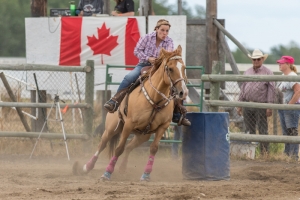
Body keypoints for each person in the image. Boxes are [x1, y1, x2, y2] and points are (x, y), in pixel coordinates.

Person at [104, 19, 191, 126]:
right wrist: (148, 58)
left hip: (159, 68)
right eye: (162, 30)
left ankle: (177, 114)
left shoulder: (169, 41)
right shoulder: (147, 38)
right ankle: (114, 101)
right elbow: (137, 51)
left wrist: (159, 61)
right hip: (144, 64)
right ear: (157, 29)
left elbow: (168, 56)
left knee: (173, 84)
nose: (164, 33)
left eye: (167, 31)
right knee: (129, 77)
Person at [237, 49, 275, 154]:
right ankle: (249, 152)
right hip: (247, 103)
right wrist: (239, 104)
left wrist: (269, 106)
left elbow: (271, 90)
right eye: (254, 59)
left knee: (262, 129)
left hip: (261, 104)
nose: (256, 61)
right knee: (249, 129)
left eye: (258, 59)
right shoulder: (247, 72)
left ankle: (264, 152)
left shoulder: (268, 72)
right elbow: (243, 89)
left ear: (262, 59)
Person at [276, 56, 300, 160]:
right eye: (279, 63)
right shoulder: (283, 76)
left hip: (290, 107)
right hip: (283, 107)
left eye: (282, 63)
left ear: (288, 64)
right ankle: (287, 154)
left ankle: (293, 155)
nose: (279, 64)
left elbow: (298, 91)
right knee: (286, 131)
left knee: (291, 130)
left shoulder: (292, 76)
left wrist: (289, 105)